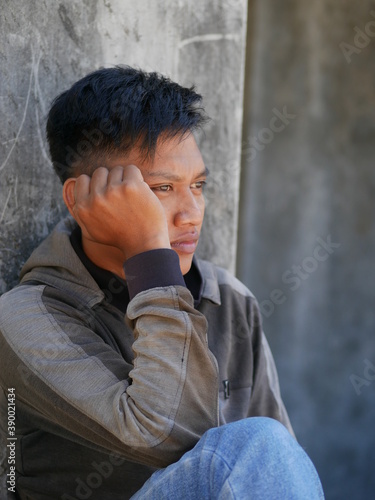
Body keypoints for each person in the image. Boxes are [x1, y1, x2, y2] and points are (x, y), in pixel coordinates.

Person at [0, 66, 324, 499]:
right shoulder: (26, 317)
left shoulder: (229, 300)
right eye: (162, 188)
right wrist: (149, 255)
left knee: (265, 445)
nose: (191, 212)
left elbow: (274, 469)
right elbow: (171, 432)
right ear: (81, 199)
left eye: (199, 185)